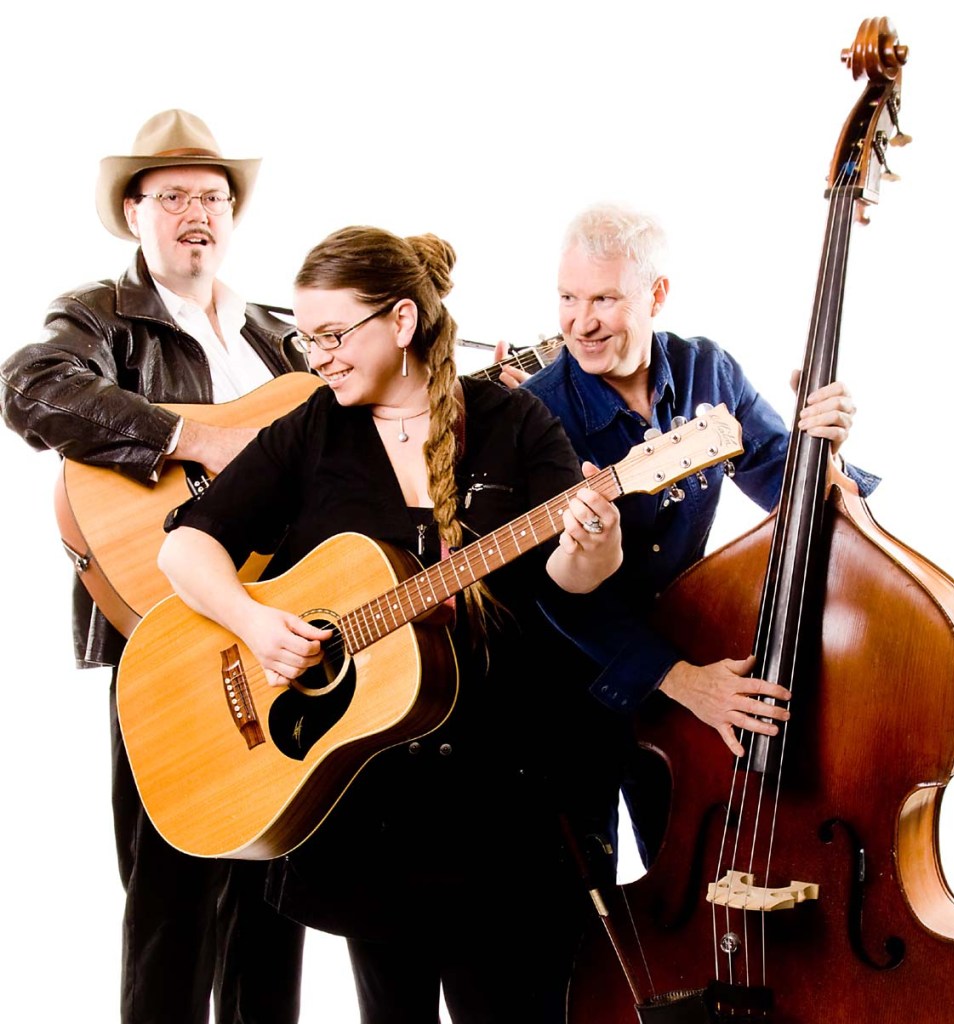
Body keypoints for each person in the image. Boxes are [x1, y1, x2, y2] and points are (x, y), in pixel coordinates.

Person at [156, 224, 627, 1024]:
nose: (318, 357)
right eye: (308, 337)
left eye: (333, 335)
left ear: (401, 321)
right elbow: (186, 548)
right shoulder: (313, 428)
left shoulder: (513, 423)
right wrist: (256, 623)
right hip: (366, 807)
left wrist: (595, 542)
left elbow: (570, 578)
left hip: (501, 804)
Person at [0, 110, 307, 1023]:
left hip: (273, 621)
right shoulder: (103, 316)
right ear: (134, 213)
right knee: (173, 895)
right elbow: (31, 387)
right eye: (171, 197)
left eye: (211, 196)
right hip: (164, 627)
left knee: (273, 891)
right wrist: (194, 438)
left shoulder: (278, 336)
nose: (195, 213)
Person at [518, 202, 878, 861]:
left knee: (695, 871)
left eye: (604, 299)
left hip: (687, 676)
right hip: (569, 691)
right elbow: (546, 594)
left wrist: (821, 448)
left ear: (656, 295)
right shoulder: (535, 412)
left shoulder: (706, 370)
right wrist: (683, 681)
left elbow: (797, 499)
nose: (580, 323)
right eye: (568, 298)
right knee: (576, 896)